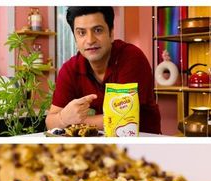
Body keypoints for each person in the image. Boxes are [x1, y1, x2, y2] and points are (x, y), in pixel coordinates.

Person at [46, 6, 161, 134]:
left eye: (98, 30)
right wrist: (63, 118)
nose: (90, 40)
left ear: (111, 34)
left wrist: (71, 122)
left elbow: (122, 120)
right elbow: (50, 121)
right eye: (81, 33)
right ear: (75, 39)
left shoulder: (131, 58)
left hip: (144, 142)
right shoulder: (70, 69)